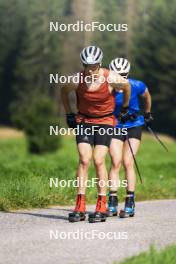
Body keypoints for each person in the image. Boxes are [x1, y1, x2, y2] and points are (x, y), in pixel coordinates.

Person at [61, 47, 131, 223]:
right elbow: (64, 90)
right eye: (87, 66)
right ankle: (80, 205)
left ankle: (101, 204)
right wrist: (69, 113)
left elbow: (127, 85)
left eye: (93, 66)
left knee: (99, 160)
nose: (90, 70)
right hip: (84, 121)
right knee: (84, 159)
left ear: (99, 63)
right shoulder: (78, 79)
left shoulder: (110, 78)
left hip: (105, 121)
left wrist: (124, 108)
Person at [107, 58, 153, 218]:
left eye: (124, 75)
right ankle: (112, 201)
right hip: (114, 127)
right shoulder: (106, 88)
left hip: (134, 126)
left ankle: (129, 201)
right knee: (115, 161)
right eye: (117, 75)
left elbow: (147, 96)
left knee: (128, 162)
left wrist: (147, 113)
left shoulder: (137, 85)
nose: (121, 78)